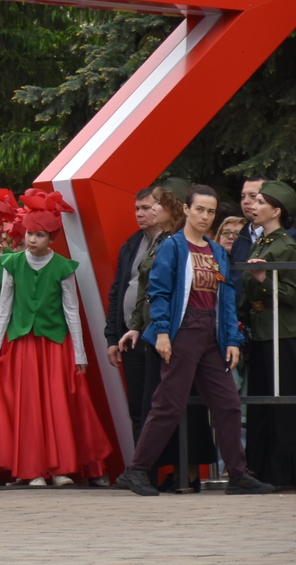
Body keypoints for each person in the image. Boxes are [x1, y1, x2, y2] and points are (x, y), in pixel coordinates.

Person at [116, 185, 277, 496]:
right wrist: (162, 332)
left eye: (211, 211)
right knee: (169, 404)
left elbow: (226, 297)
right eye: (200, 209)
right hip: (182, 331)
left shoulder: (216, 251)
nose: (205, 216)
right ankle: (135, 471)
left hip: (212, 334)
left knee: (227, 404)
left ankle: (238, 473)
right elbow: (159, 292)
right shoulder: (172, 247)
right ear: (187, 210)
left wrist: (231, 338)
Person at [0, 190, 109, 485]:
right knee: (29, 406)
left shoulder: (63, 267)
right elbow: (5, 309)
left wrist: (80, 354)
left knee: (58, 403)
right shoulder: (12, 264)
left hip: (55, 345)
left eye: (40, 235)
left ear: (52, 238)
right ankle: (32, 469)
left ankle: (60, 468)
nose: (33, 240)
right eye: (29, 234)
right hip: (22, 344)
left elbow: (72, 311)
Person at [238, 179, 296, 485]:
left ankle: (283, 471)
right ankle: (259, 468)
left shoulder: (286, 245)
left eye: (260, 201)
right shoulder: (259, 243)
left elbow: (291, 293)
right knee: (260, 403)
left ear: (276, 210)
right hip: (261, 332)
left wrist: (262, 278)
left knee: (281, 403)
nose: (253, 206)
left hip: (282, 333)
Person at [105, 188, 164, 439]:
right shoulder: (131, 244)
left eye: (147, 208)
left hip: (159, 337)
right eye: (137, 209)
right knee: (138, 408)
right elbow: (118, 290)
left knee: (161, 406)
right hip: (129, 337)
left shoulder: (173, 243)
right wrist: (111, 337)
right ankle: (142, 474)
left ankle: (172, 473)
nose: (140, 214)